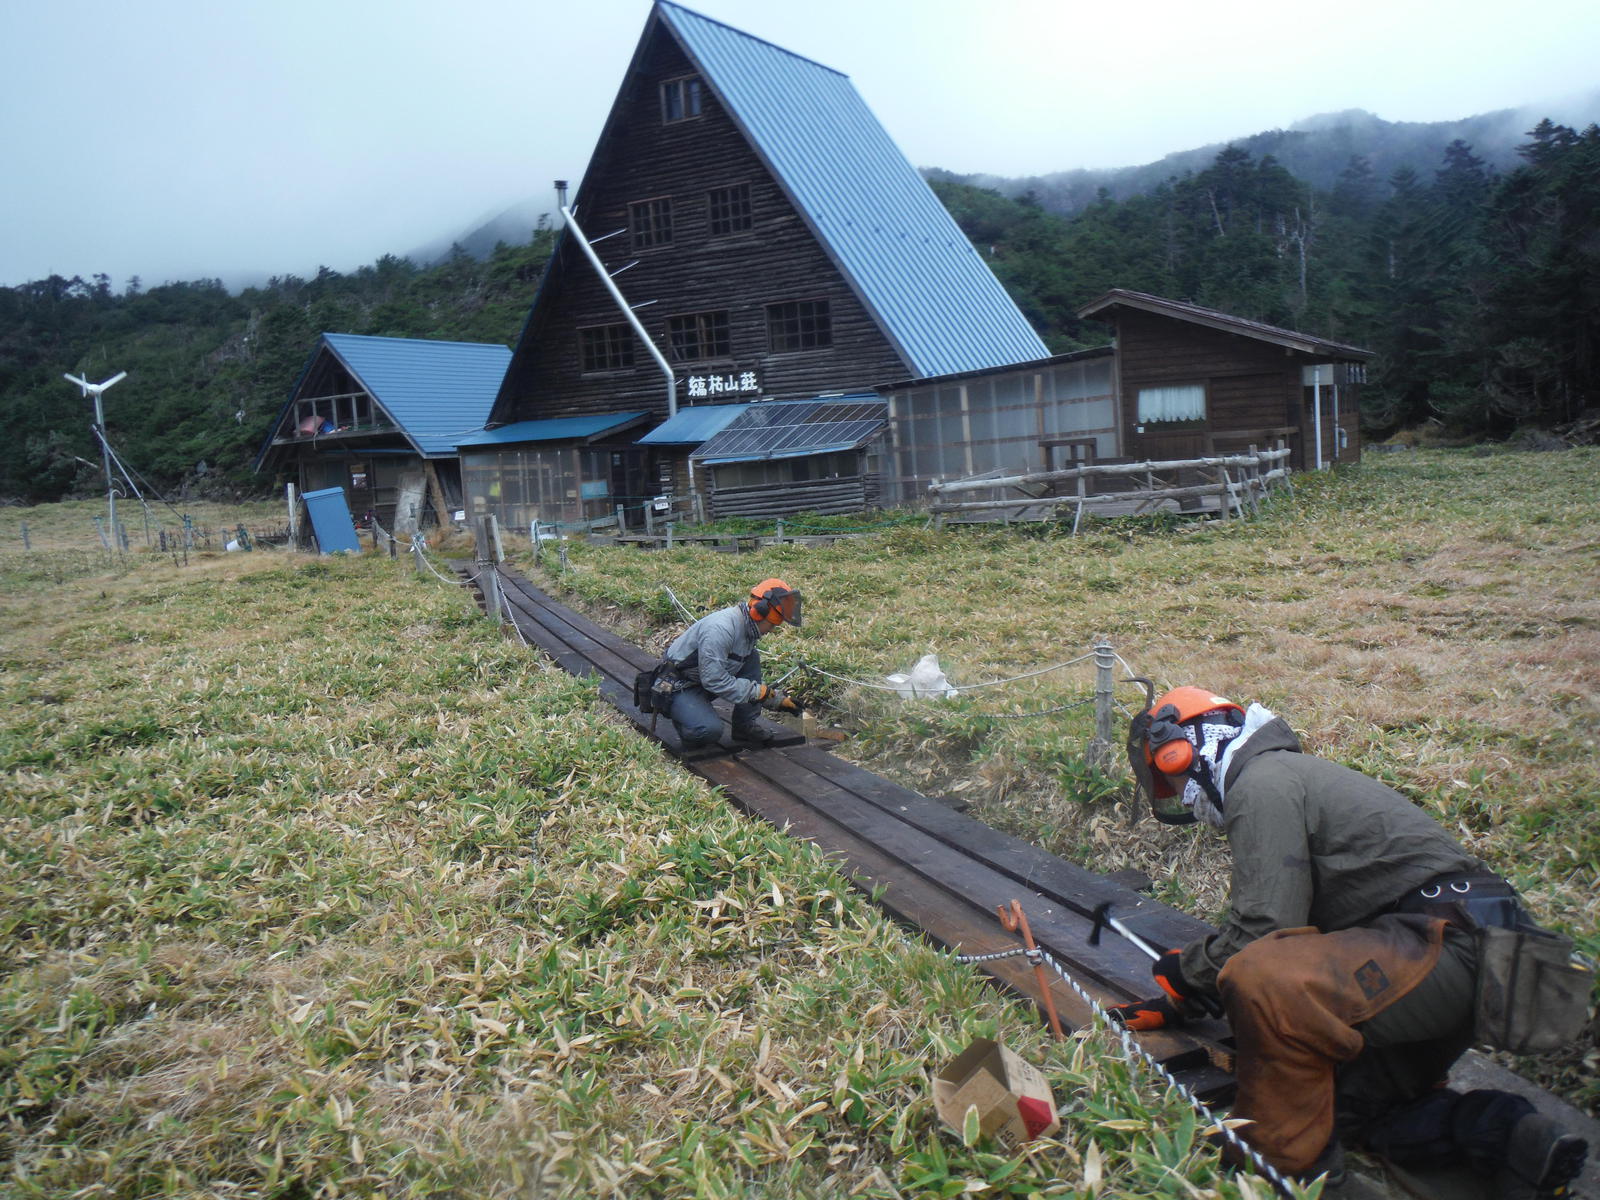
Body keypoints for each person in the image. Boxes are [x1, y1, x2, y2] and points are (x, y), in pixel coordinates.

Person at [1113, 685, 1590, 1197]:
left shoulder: (1262, 783)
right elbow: (1302, 937)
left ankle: (1279, 1176)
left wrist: (1188, 973)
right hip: (1456, 963)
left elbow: (1263, 933)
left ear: (1180, 748)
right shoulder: (1285, 778)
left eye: (1172, 774)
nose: (1180, 789)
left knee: (1266, 982)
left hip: (1444, 951)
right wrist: (1192, 994)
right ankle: (1510, 1136)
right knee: (1347, 1111)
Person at [658, 578, 802, 748]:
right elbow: (714, 680)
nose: (771, 630)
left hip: (702, 679)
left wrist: (776, 699)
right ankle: (688, 721)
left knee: (751, 658)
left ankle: (744, 727)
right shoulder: (721, 630)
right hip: (677, 684)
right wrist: (758, 693)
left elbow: (736, 678)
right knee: (708, 730)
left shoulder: (747, 629)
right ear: (759, 613)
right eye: (771, 625)